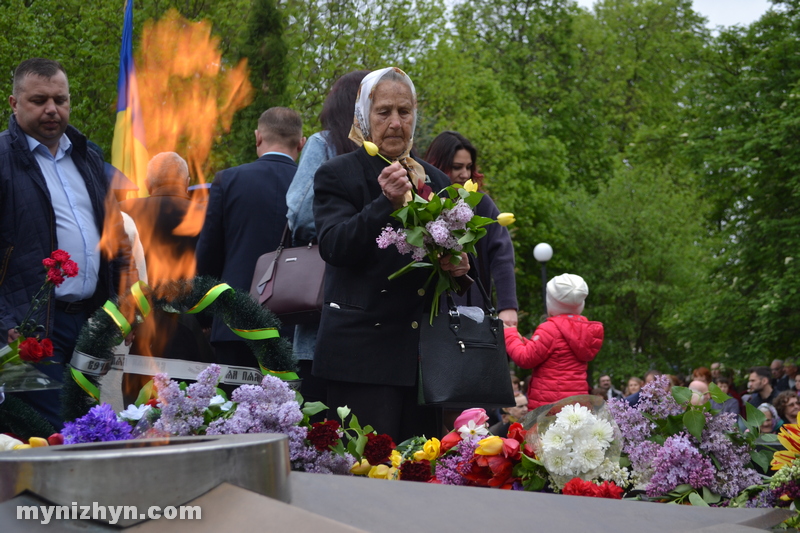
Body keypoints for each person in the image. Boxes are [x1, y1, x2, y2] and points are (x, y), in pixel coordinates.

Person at [311, 67, 461, 442]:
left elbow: (446, 265)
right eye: (384, 112)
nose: (395, 122)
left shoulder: (435, 181)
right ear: (363, 116)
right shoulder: (337, 173)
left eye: (404, 111)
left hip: (422, 363)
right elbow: (334, 247)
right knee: (364, 481)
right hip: (362, 359)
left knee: (417, 478)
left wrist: (459, 267)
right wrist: (384, 203)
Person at [0, 58, 133, 429]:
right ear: (14, 103)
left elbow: (116, 239)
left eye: (60, 100)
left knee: (83, 425)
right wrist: (5, 321)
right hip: (30, 329)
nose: (51, 110)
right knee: (49, 432)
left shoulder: (88, 156)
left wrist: (121, 304)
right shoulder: (2, 160)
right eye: (38, 100)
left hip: (89, 323)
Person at [284, 70, 369, 410]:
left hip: (326, 309)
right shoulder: (395, 157)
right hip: (379, 329)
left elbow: (301, 214)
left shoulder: (325, 145)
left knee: (321, 427)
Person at [196, 107, 304, 368]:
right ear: (301, 144)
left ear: (258, 137)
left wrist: (205, 317)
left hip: (234, 324)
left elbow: (208, 252)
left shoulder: (228, 180)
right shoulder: (314, 184)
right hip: (294, 327)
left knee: (232, 407)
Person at [423, 131, 518, 327]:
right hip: (426, 311)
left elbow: (502, 256)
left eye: (469, 167)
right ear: (437, 165)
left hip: (473, 313)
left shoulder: (481, 205)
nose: (465, 174)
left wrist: (507, 306)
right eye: (457, 167)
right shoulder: (421, 203)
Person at [504, 273, 604, 409]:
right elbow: (551, 354)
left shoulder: (550, 328)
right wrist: (523, 341)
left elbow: (525, 358)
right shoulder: (584, 330)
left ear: (550, 303)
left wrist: (510, 334)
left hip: (549, 407)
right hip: (576, 405)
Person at [120, 152, 199, 285]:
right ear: (187, 183)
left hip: (136, 300)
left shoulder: (122, 211)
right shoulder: (206, 214)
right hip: (197, 302)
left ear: (147, 185)